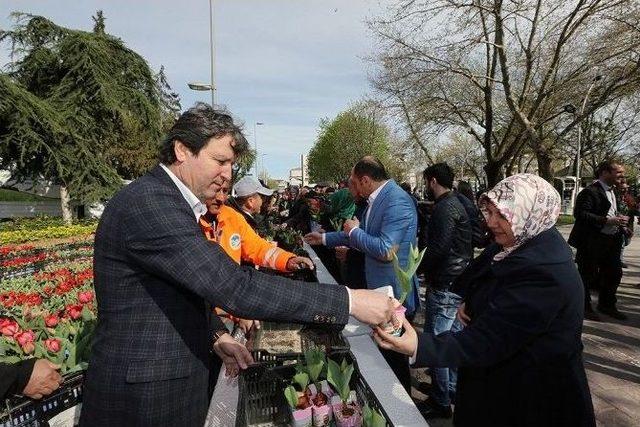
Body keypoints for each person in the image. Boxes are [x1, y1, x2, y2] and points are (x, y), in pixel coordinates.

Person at [79, 103, 395, 427]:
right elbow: (233, 285)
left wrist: (215, 335)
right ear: (182, 149)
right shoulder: (151, 204)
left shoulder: (169, 202)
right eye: (220, 160)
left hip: (165, 386)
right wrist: (350, 300)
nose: (228, 173)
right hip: (144, 402)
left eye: (231, 164)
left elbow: (180, 288)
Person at [374, 174, 596, 427]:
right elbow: (480, 273)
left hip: (531, 398)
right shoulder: (520, 243)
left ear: (530, 214)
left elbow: (486, 341)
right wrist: (471, 301)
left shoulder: (545, 274)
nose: (491, 222)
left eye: (502, 215)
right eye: (489, 212)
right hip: (504, 382)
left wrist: (418, 345)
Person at [305, 156, 420, 393]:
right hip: (378, 292)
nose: (350, 189)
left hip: (393, 296)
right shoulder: (375, 200)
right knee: (383, 354)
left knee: (394, 359)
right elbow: (360, 237)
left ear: (365, 180)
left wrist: (355, 231)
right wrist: (325, 238)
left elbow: (386, 250)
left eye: (353, 183)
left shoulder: (396, 200)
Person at [419, 163, 473, 419]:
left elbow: (438, 249)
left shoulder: (444, 208)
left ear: (432, 181)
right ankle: (451, 390)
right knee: (450, 342)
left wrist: (419, 269)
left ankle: (441, 400)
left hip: (445, 285)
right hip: (456, 282)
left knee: (437, 344)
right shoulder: (458, 203)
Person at [568, 160, 629, 321]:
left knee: (614, 273)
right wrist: (605, 221)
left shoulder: (613, 191)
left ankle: (607, 304)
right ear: (604, 172)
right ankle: (584, 306)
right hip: (592, 240)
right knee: (587, 275)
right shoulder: (590, 192)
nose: (622, 176)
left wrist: (622, 225)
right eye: (619, 172)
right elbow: (580, 214)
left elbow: (611, 212)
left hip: (612, 240)